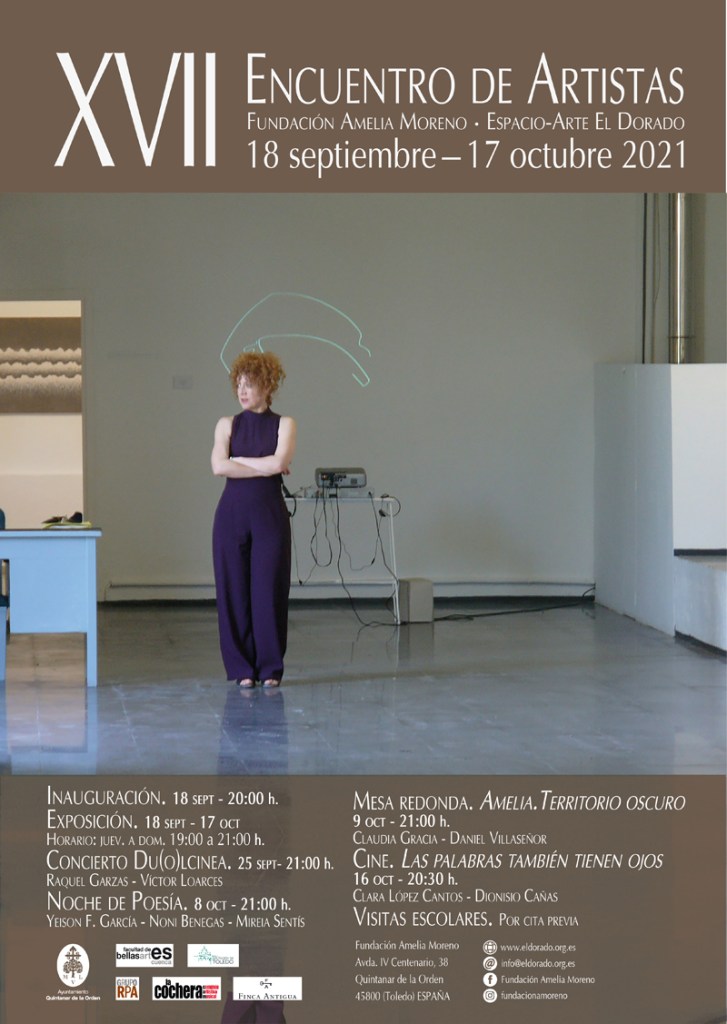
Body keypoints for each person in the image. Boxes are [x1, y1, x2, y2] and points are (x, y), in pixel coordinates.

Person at [211, 352, 296, 688]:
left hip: (269, 517)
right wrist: (265, 464)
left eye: (250, 384)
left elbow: (279, 464)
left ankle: (270, 668)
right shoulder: (226, 424)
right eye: (239, 385)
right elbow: (219, 466)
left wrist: (240, 460)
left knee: (269, 591)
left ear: (268, 386)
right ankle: (241, 668)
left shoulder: (285, 424)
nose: (242, 391)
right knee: (233, 591)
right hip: (231, 516)